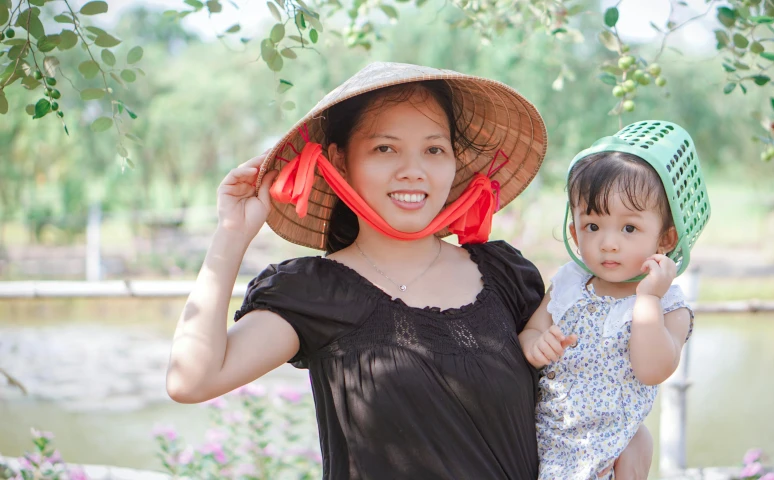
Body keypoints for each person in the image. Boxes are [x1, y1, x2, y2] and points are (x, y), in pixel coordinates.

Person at [166, 62, 553, 479]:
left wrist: (630, 435)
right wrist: (231, 234)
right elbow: (191, 381)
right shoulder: (315, 292)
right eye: (385, 148)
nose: (413, 170)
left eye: (434, 149)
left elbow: (579, 375)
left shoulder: (504, 276)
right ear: (339, 160)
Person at [519, 121, 710, 480]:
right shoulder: (570, 283)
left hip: (607, 450)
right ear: (574, 231)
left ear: (665, 238)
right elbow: (530, 332)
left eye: (629, 228)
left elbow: (651, 370)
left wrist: (648, 298)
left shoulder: (669, 304)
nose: (608, 243)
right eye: (593, 226)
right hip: (551, 441)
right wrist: (536, 345)